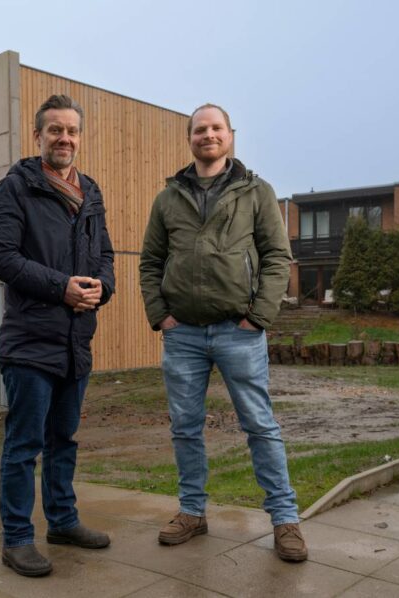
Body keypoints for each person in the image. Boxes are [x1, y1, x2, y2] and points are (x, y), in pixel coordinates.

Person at [139, 103, 307, 562]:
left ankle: (285, 520)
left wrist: (259, 317)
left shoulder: (256, 192)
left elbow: (277, 257)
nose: (207, 135)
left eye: (216, 128)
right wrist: (161, 316)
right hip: (184, 335)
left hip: (240, 332)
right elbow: (151, 261)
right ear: (189, 137)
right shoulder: (168, 198)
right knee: (185, 428)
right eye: (199, 129)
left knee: (260, 425)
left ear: (230, 135)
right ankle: (192, 512)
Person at [0, 94, 116, 577]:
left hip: (75, 342)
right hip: (29, 342)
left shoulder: (91, 192)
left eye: (72, 131)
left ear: (80, 138)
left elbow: (105, 255)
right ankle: (17, 538)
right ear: (37, 136)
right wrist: (61, 288)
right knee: (24, 445)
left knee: (64, 439)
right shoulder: (14, 188)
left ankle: (62, 521)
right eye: (55, 130)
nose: (65, 138)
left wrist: (103, 288)